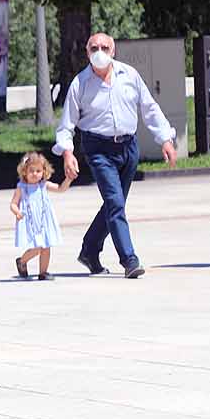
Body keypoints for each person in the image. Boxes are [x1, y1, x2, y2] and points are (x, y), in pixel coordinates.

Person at [54, 32, 178, 278]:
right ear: (87, 52)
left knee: (114, 204)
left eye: (104, 47)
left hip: (128, 148)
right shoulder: (80, 83)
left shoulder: (129, 75)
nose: (99, 51)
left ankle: (89, 250)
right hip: (98, 149)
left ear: (113, 51)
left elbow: (149, 107)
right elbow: (66, 124)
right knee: (115, 203)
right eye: (94, 48)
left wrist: (165, 138)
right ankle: (129, 260)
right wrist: (68, 153)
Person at [10, 151, 76, 280]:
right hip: (30, 221)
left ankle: (43, 272)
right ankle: (22, 261)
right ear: (24, 172)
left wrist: (68, 179)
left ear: (44, 171)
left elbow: (60, 188)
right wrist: (17, 212)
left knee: (46, 246)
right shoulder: (22, 187)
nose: (35, 174)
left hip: (44, 220)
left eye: (38, 171)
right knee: (37, 247)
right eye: (31, 170)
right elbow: (13, 203)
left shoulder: (43, 185)